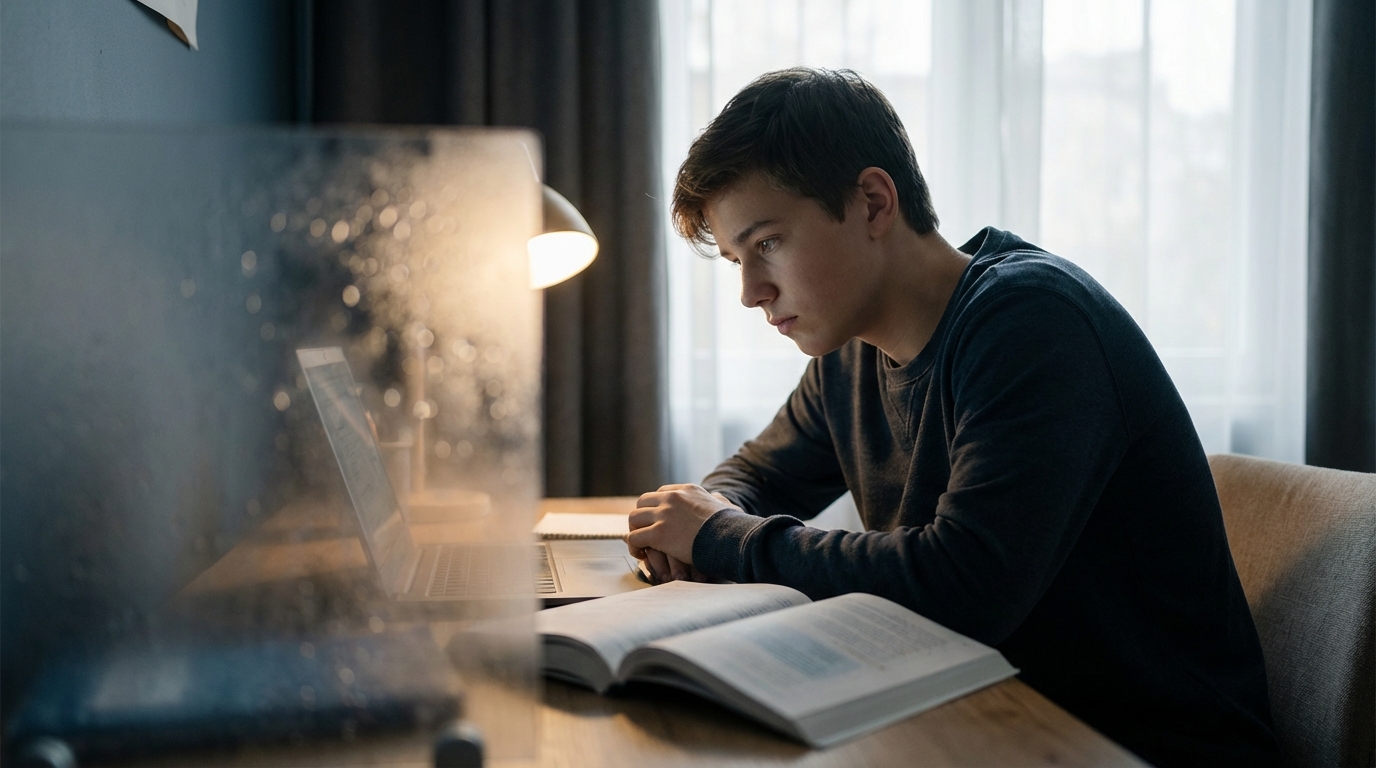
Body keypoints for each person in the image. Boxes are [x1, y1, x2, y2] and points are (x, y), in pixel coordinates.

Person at [624, 67, 1280, 767]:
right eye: (736, 259)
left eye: (768, 244)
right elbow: (757, 475)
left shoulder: (1032, 322)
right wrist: (706, 518)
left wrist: (718, 535)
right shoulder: (850, 353)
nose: (751, 292)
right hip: (985, 721)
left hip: (1139, 747)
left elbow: (963, 587)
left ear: (873, 203)